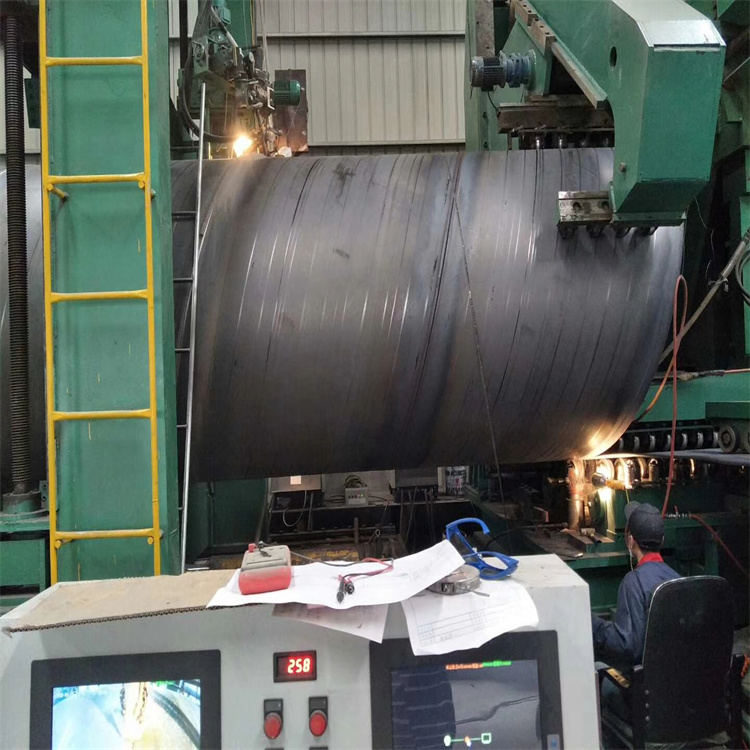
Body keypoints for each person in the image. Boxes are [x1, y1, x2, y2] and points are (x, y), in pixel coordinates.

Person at [592, 501, 680, 718]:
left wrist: (594, 624)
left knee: (599, 672)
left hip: (646, 704)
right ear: (662, 540)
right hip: (677, 696)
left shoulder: (633, 582)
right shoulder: (678, 580)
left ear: (631, 542)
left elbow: (627, 645)